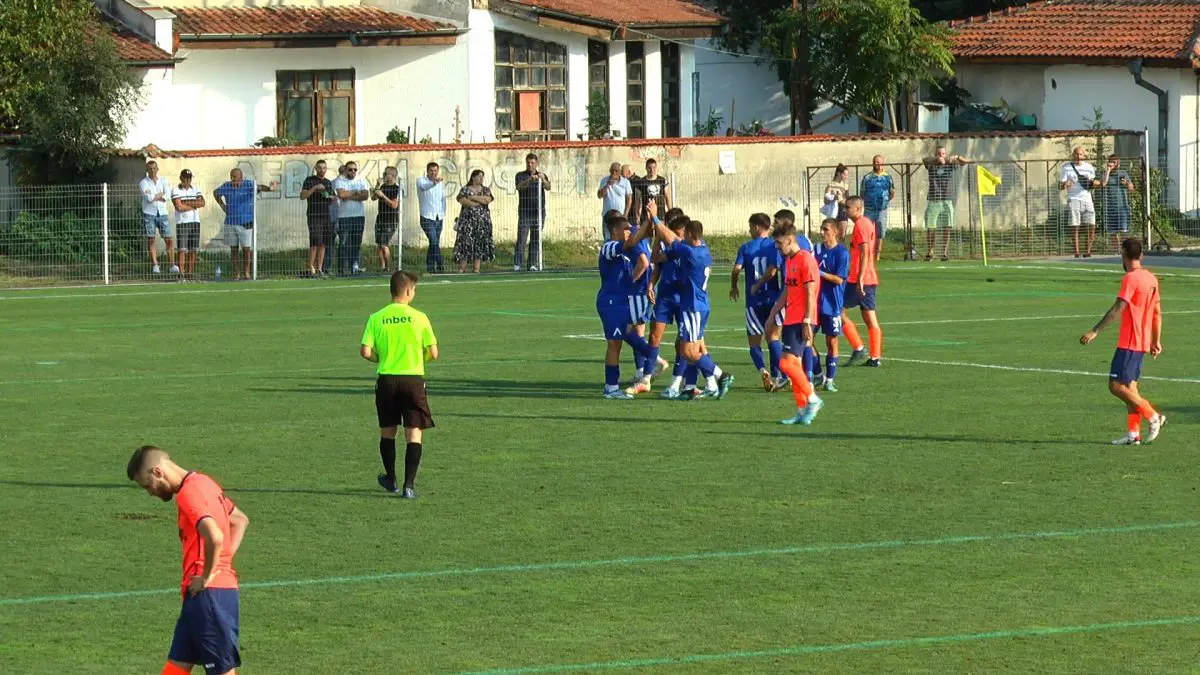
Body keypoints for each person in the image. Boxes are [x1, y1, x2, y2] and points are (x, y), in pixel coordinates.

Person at [126, 445, 249, 675]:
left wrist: (208, 575)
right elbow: (240, 520)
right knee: (175, 669)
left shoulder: (187, 494)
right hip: (201, 597)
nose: (150, 493)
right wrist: (222, 563)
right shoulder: (206, 483)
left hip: (209, 596)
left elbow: (215, 536)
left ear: (158, 472)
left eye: (147, 486)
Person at [1080, 237, 1166, 445]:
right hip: (1142, 342)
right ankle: (1133, 434)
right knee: (1130, 388)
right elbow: (1157, 313)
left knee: (1115, 386)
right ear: (1141, 255)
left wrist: (1095, 331)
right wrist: (1156, 341)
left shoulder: (1131, 279)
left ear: (1124, 254)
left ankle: (1153, 415)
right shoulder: (1151, 279)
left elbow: (1118, 308)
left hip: (1129, 342)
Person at [361, 270, 439, 497]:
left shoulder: (376, 317)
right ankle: (409, 486)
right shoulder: (420, 317)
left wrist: (382, 359)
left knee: (388, 431)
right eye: (414, 289)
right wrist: (418, 360)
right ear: (407, 291)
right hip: (413, 380)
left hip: (387, 380)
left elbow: (365, 351)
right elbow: (433, 352)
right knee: (413, 432)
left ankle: (391, 479)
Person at [649, 200, 734, 400]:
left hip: (693, 307)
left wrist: (655, 218)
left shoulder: (690, 252)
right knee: (692, 349)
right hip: (700, 305)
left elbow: (672, 239)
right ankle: (698, 385)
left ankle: (721, 376)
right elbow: (660, 256)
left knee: (688, 351)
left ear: (688, 234)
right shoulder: (703, 249)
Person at [765, 221, 823, 425]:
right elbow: (788, 291)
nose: (778, 248)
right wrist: (774, 312)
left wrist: (807, 320)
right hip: (791, 317)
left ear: (790, 240)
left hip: (802, 319)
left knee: (785, 364)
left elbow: (810, 292)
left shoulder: (806, 259)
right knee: (795, 365)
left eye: (780, 243)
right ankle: (802, 411)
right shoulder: (789, 261)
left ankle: (813, 398)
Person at [596, 213, 656, 399]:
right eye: (626, 229)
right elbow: (632, 242)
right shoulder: (609, 247)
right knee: (614, 344)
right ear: (615, 230)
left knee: (621, 340)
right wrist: (647, 221)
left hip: (620, 302)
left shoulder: (623, 251)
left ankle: (651, 360)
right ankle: (611, 388)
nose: (629, 232)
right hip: (610, 302)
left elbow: (644, 237)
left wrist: (651, 221)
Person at [731, 213, 784, 392]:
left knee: (754, 343)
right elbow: (775, 270)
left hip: (753, 302)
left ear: (756, 227)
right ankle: (778, 377)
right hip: (773, 299)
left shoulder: (746, 247)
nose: (749, 230)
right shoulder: (775, 246)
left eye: (750, 227)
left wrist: (734, 286)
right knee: (774, 338)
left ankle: (763, 369)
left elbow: (736, 269)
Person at [647, 208, 689, 399]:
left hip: (685, 298)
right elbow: (656, 261)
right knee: (654, 336)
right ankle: (646, 377)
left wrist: (656, 222)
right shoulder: (670, 246)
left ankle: (681, 380)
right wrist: (651, 284)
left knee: (683, 341)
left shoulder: (689, 246)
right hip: (665, 295)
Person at [841, 196, 882, 367]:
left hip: (860, 279)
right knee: (869, 317)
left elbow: (865, 253)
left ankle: (859, 347)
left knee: (837, 310)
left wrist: (860, 279)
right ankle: (875, 357)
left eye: (848, 207)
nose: (845, 210)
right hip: (866, 278)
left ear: (857, 209)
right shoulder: (864, 223)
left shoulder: (861, 225)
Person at [213, 168, 275, 281]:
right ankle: (237, 273)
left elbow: (260, 187)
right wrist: (223, 206)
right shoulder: (227, 186)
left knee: (246, 249)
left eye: (234, 177)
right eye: (231, 177)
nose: (232, 179)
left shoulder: (248, 185)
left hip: (246, 222)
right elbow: (215, 193)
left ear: (241, 177)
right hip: (231, 222)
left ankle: (246, 272)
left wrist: (270, 189)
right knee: (234, 249)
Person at [813, 217, 850, 392]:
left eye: (825, 229)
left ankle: (830, 380)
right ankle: (818, 374)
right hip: (814, 303)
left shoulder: (842, 253)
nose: (822, 232)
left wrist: (818, 272)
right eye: (821, 229)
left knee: (832, 342)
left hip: (832, 303)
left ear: (835, 231)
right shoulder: (815, 250)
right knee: (806, 340)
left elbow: (839, 279)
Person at [923, 146, 968, 261]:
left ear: (945, 154)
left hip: (947, 200)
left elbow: (965, 162)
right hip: (933, 199)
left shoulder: (949, 164)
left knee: (947, 227)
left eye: (943, 153)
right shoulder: (931, 164)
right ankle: (930, 252)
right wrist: (937, 160)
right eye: (939, 153)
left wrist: (956, 157)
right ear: (936, 154)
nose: (941, 155)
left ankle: (944, 253)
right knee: (931, 227)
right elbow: (924, 160)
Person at [1059, 146, 1101, 258]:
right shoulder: (1066, 168)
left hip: (1087, 199)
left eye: (1081, 154)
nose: (1079, 156)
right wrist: (1065, 184)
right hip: (1074, 199)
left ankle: (1088, 251)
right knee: (1074, 225)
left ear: (1084, 156)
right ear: (1073, 155)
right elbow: (1061, 185)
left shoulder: (1089, 167)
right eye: (1076, 154)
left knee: (1091, 225)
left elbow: (1092, 183)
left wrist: (1095, 183)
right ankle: (1076, 252)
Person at [453, 169, 495, 274]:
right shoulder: (465, 189)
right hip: (467, 222)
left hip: (482, 222)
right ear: (473, 177)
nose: (481, 178)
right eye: (479, 176)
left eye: (482, 176)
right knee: (465, 243)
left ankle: (476, 268)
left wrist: (472, 197)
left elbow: (487, 200)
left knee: (479, 244)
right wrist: (478, 203)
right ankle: (462, 268)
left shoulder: (486, 190)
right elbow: (463, 201)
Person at [514, 153, 551, 272]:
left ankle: (532, 263)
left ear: (537, 163)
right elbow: (519, 187)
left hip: (538, 212)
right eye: (528, 163)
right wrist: (529, 180)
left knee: (535, 239)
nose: (530, 165)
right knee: (522, 238)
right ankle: (518, 264)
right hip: (525, 212)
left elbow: (548, 187)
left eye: (532, 163)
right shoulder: (520, 175)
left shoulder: (542, 175)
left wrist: (542, 179)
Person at [140, 161, 177, 275]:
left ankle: (172, 265)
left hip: (162, 213)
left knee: (169, 239)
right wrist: (160, 194)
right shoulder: (143, 182)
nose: (152, 170)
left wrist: (157, 196)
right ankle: (155, 265)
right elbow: (148, 198)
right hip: (149, 213)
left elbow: (168, 195)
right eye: (150, 168)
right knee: (151, 239)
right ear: (147, 170)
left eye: (154, 168)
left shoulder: (163, 181)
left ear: (157, 169)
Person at [332, 161, 370, 276]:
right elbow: (341, 194)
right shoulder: (340, 181)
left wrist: (349, 196)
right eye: (350, 169)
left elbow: (365, 195)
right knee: (344, 244)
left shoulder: (361, 180)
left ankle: (354, 267)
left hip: (359, 216)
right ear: (345, 170)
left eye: (355, 169)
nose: (353, 171)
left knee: (356, 243)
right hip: (344, 217)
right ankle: (342, 270)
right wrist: (354, 192)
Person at [299, 160, 334, 277]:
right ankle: (311, 267)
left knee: (323, 243)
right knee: (315, 242)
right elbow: (302, 196)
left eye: (324, 168)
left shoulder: (328, 182)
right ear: (315, 168)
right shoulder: (309, 180)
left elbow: (331, 197)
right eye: (320, 168)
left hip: (326, 215)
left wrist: (329, 196)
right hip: (314, 215)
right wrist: (315, 188)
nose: (322, 170)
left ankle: (320, 268)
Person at [860, 155, 895, 261]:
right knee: (867, 232)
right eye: (875, 162)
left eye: (879, 162)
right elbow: (862, 193)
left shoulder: (888, 177)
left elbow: (892, 192)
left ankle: (877, 256)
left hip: (882, 210)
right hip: (869, 209)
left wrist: (885, 201)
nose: (877, 164)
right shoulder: (867, 177)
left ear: (883, 163)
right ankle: (868, 254)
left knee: (880, 233)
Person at [171, 169, 204, 282]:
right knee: (182, 249)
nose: (188, 180)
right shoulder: (176, 190)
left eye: (189, 178)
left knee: (193, 249)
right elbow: (179, 207)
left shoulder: (195, 189)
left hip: (195, 222)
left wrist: (186, 203)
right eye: (186, 178)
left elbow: (202, 203)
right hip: (182, 222)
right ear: (181, 178)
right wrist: (194, 205)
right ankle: (181, 274)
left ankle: (189, 273)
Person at [416, 162, 447, 274]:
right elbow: (424, 187)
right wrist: (434, 183)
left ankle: (431, 267)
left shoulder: (440, 183)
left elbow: (443, 198)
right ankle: (440, 263)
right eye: (431, 171)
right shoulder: (421, 181)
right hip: (426, 216)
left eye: (435, 171)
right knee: (434, 241)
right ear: (427, 171)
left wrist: (443, 212)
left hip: (438, 217)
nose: (433, 173)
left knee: (434, 243)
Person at [1101, 155, 1136, 253]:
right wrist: (1108, 170)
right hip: (1110, 208)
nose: (1117, 164)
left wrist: (1126, 183)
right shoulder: (1105, 174)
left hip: (1122, 208)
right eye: (1114, 162)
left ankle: (1125, 251)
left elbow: (1131, 188)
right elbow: (1103, 184)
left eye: (1118, 162)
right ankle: (1116, 251)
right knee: (1112, 232)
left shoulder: (1123, 173)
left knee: (1124, 231)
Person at [372, 166, 401, 273]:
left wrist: (383, 196)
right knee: (379, 244)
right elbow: (373, 197)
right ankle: (382, 267)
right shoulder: (383, 186)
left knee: (384, 244)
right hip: (380, 218)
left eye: (386, 173)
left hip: (390, 220)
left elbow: (394, 205)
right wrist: (377, 185)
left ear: (392, 175)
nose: (384, 175)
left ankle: (388, 268)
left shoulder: (396, 189)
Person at [633, 158, 671, 227]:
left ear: (656, 168)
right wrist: (637, 215)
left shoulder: (662, 180)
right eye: (649, 168)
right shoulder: (640, 182)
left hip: (661, 215)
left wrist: (670, 211)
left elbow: (667, 197)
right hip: (646, 215)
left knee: (660, 232)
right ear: (646, 168)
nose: (652, 170)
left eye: (654, 168)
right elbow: (637, 200)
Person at [597, 162, 633, 231]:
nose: (614, 172)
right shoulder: (604, 180)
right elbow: (599, 195)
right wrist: (607, 185)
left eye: (616, 170)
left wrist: (625, 214)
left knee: (620, 234)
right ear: (609, 171)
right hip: (607, 215)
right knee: (607, 235)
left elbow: (629, 199)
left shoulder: (626, 182)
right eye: (612, 170)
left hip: (620, 215)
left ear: (620, 172)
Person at [822, 164, 851, 234]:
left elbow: (848, 199)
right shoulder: (830, 185)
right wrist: (834, 198)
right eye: (844, 175)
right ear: (838, 173)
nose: (846, 177)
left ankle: (841, 241)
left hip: (842, 209)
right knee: (832, 232)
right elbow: (825, 201)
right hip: (833, 209)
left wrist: (844, 201)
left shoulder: (845, 185)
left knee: (842, 233)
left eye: (847, 175)